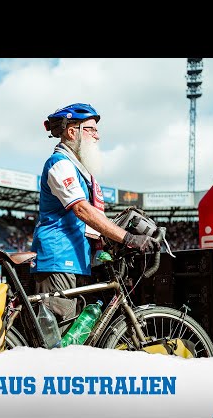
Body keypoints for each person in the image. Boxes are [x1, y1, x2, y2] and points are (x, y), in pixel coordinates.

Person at [31, 103, 158, 310]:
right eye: (92, 129)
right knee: (56, 335)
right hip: (59, 258)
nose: (97, 136)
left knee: (75, 330)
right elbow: (81, 209)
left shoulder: (80, 170)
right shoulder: (60, 163)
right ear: (72, 132)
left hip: (76, 258)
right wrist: (128, 238)